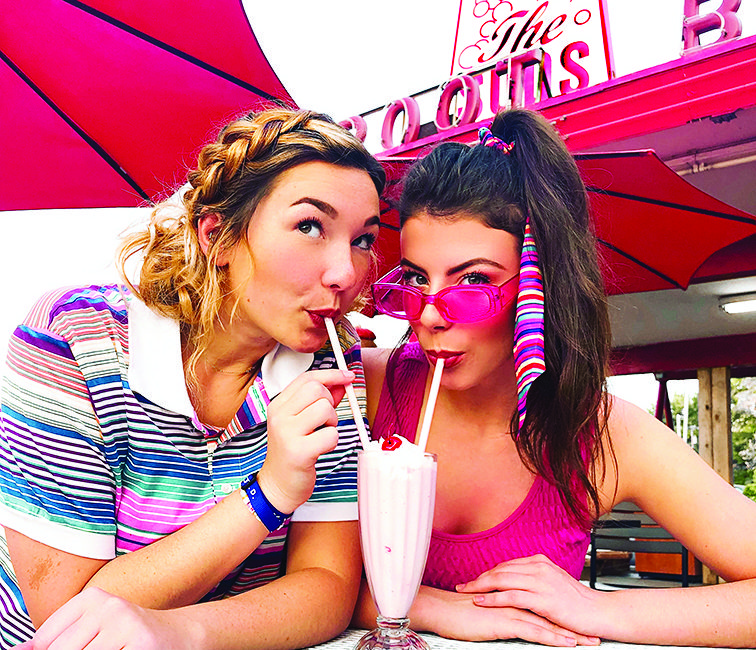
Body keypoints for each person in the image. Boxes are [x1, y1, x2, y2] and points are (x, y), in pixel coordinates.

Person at [353, 108, 756, 647]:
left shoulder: (603, 432)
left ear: (535, 286)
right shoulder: (365, 391)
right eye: (416, 279)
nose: (429, 315)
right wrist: (437, 608)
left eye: (472, 280)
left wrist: (599, 609)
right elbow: (307, 581)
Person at [0, 107, 385, 650]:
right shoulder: (74, 339)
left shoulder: (330, 364)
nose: (345, 273)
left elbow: (327, 589)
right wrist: (269, 494)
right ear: (218, 237)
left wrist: (181, 631)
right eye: (309, 226)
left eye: (363, 239)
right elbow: (67, 617)